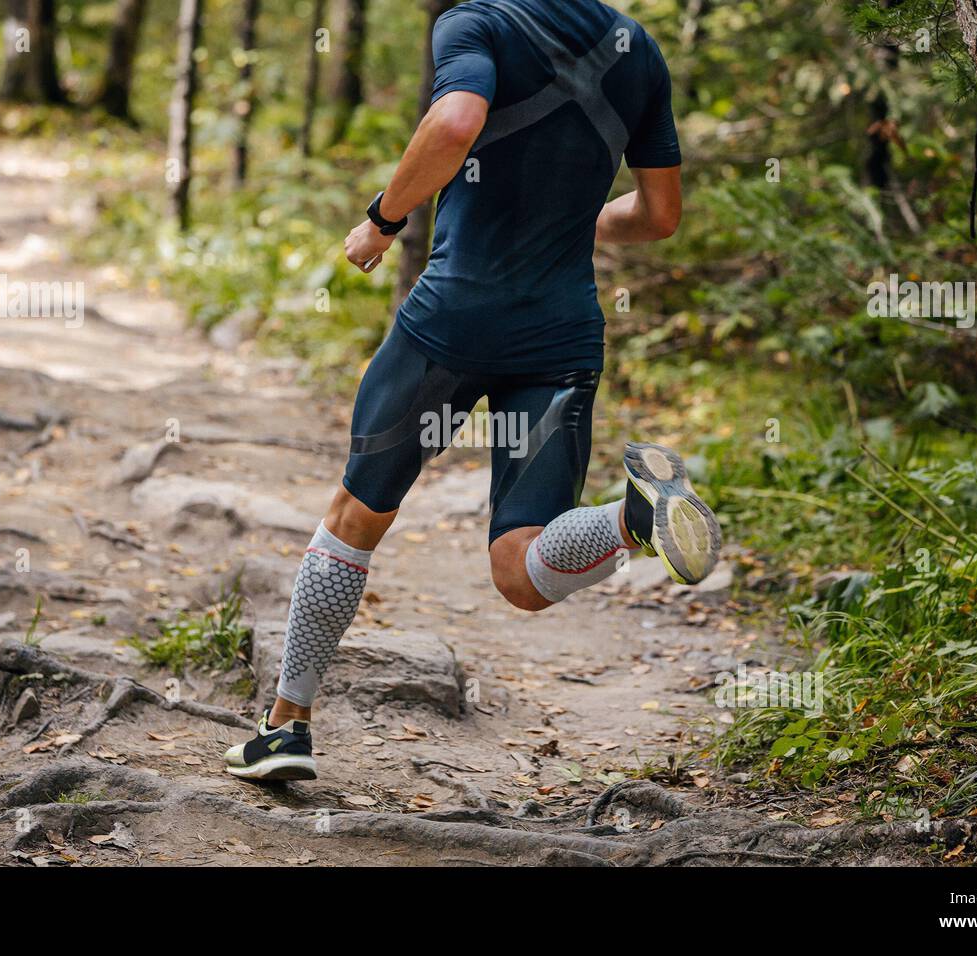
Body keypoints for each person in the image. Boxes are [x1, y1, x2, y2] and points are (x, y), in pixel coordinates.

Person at [224, 0, 720, 781]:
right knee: (522, 573)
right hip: (561, 335)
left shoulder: (478, 23)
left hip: (451, 324)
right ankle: (632, 519)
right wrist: (576, 222)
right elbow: (660, 216)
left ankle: (287, 727)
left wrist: (382, 221)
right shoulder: (639, 51)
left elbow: (456, 124)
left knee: (355, 518)